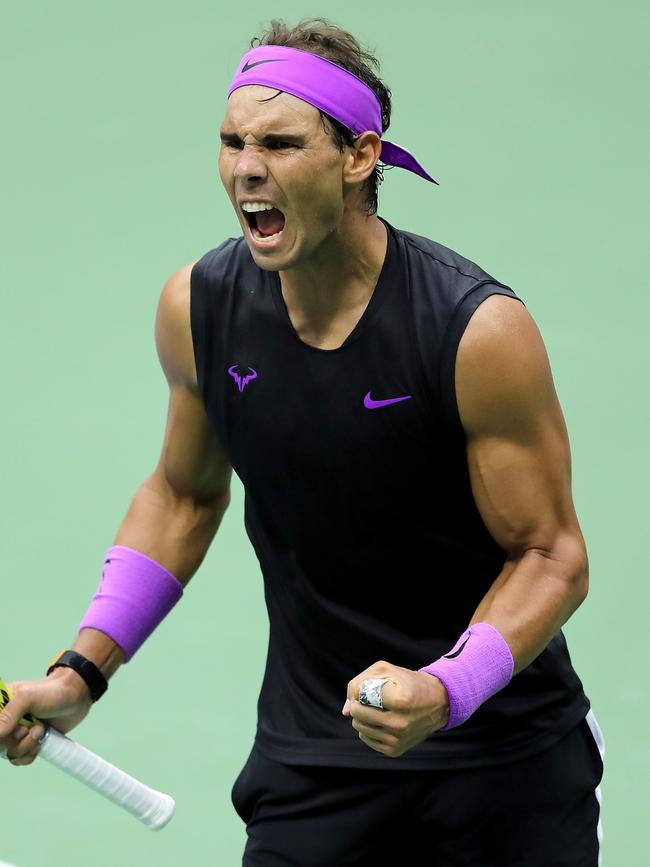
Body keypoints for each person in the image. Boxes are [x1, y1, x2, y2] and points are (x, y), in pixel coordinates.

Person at [0, 17, 605, 866]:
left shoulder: (475, 332)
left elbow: (551, 555)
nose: (247, 167)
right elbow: (184, 495)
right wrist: (80, 672)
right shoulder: (200, 308)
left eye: (281, 143)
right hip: (314, 760)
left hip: (500, 760)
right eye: (232, 142)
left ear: (360, 156)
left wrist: (442, 688)